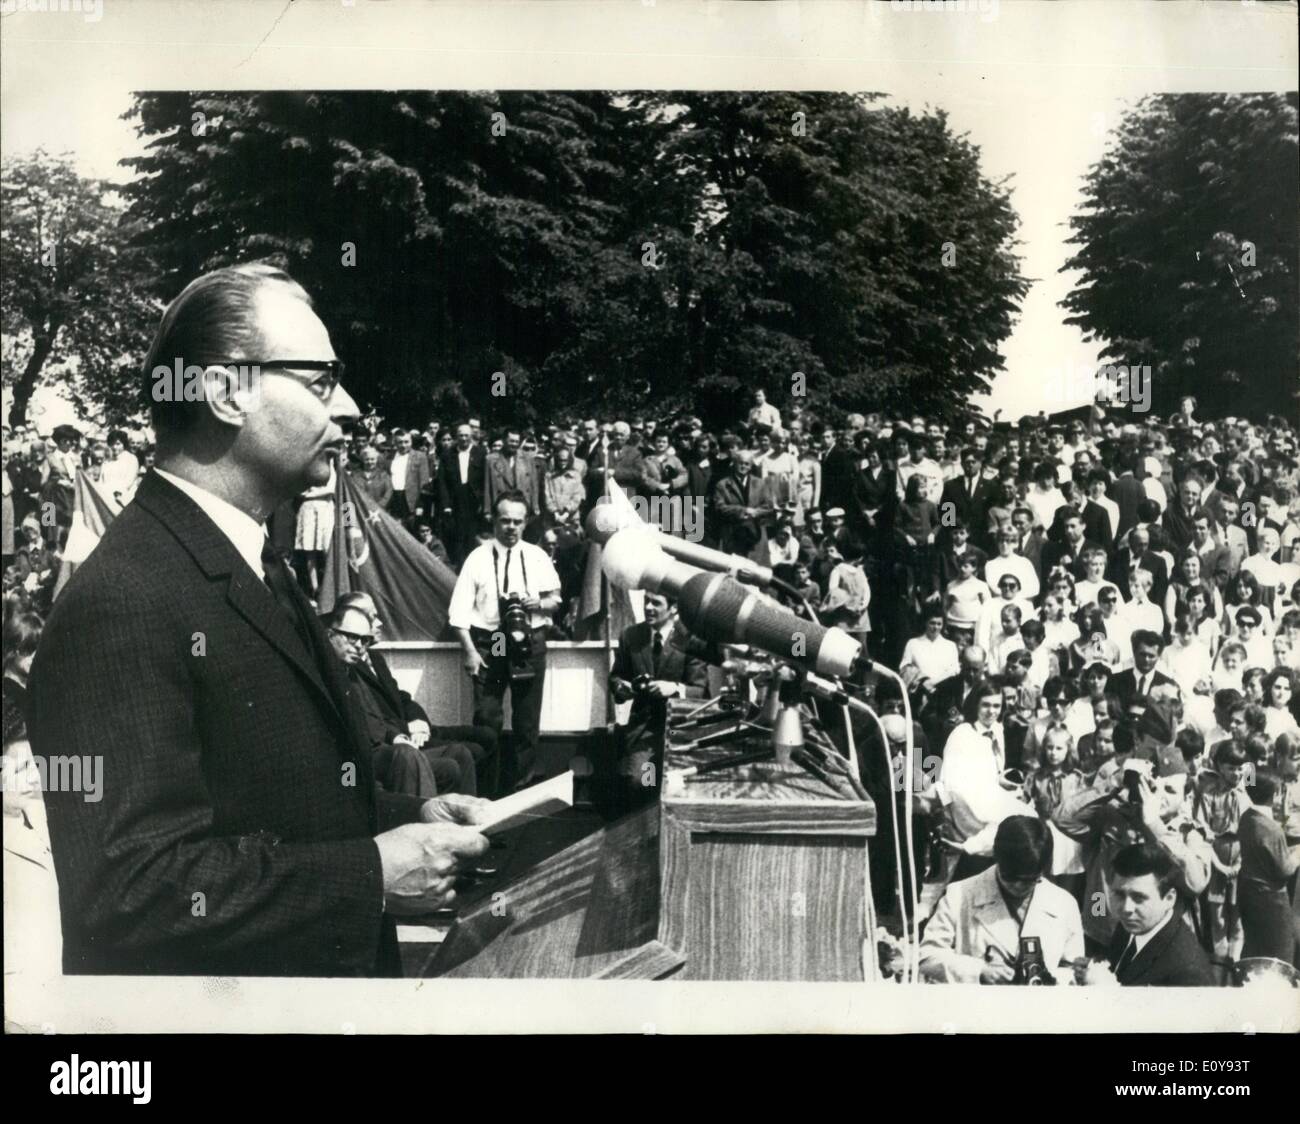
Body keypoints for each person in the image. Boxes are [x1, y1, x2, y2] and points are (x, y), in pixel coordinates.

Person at [26, 263, 489, 976]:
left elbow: (288, 805)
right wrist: (367, 877)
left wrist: (405, 820)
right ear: (223, 392)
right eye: (321, 381)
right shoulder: (122, 602)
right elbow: (126, 892)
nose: (352, 408)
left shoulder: (256, 563)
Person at [449, 491, 562, 791]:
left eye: (517, 521)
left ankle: (522, 789)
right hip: (494, 641)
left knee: (527, 722)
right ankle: (486, 790)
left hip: (529, 642)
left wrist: (536, 603)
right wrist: (470, 652)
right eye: (505, 520)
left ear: (526, 523)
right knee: (488, 719)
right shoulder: (478, 557)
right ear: (494, 521)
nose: (511, 527)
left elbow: (556, 600)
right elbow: (458, 613)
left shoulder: (537, 556)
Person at [920, 815, 1084, 984]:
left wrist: (1051, 978)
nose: (1019, 886)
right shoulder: (960, 894)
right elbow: (927, 956)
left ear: (1042, 871)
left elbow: (1073, 968)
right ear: (998, 859)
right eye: (1010, 877)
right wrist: (979, 971)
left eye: (1029, 880)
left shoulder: (1064, 904)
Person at [608, 591, 709, 804]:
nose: (648, 607)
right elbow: (616, 676)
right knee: (643, 782)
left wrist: (673, 688)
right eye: (646, 601)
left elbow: (699, 690)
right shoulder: (631, 636)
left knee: (681, 790)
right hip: (645, 732)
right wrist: (622, 688)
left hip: (682, 731)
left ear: (673, 609)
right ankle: (646, 830)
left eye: (656, 603)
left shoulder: (692, 639)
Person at [1098, 843, 1217, 986]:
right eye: (1119, 894)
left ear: (1169, 899)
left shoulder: (1188, 973)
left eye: (1139, 898)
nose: (1126, 908)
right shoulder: (1133, 924)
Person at [1237, 767, 1299, 963]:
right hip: (1271, 902)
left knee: (1255, 946)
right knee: (1279, 951)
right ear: (1276, 794)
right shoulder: (1271, 828)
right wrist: (1296, 854)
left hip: (1248, 893)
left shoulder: (1247, 817)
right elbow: (1284, 870)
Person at [437, 422, 487, 567]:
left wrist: (483, 503)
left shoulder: (481, 453)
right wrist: (446, 505)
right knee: (456, 538)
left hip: (474, 501)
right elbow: (442, 482)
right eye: (460, 435)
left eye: (466, 435)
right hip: (455, 501)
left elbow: (485, 480)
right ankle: (458, 569)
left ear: (471, 436)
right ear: (456, 437)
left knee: (473, 538)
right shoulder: (448, 455)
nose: (464, 438)